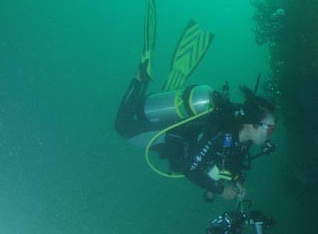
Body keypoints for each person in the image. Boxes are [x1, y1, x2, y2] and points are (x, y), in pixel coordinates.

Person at [115, 59, 276, 201]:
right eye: (268, 129)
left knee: (139, 116)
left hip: (178, 143)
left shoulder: (246, 139)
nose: (269, 135)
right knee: (123, 126)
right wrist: (220, 190)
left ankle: (147, 100)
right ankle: (140, 78)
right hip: (169, 135)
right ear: (252, 124)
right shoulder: (219, 133)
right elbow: (189, 169)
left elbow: (232, 162)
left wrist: (237, 181)